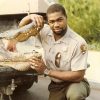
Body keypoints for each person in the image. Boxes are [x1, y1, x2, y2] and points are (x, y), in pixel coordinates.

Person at [19, 3, 90, 100]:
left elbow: (78, 76)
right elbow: (21, 31)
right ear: (48, 22)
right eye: (52, 21)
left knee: (75, 95)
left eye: (59, 20)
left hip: (75, 83)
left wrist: (46, 70)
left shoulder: (78, 42)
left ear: (66, 18)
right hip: (56, 85)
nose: (56, 25)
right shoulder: (45, 32)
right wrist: (30, 17)